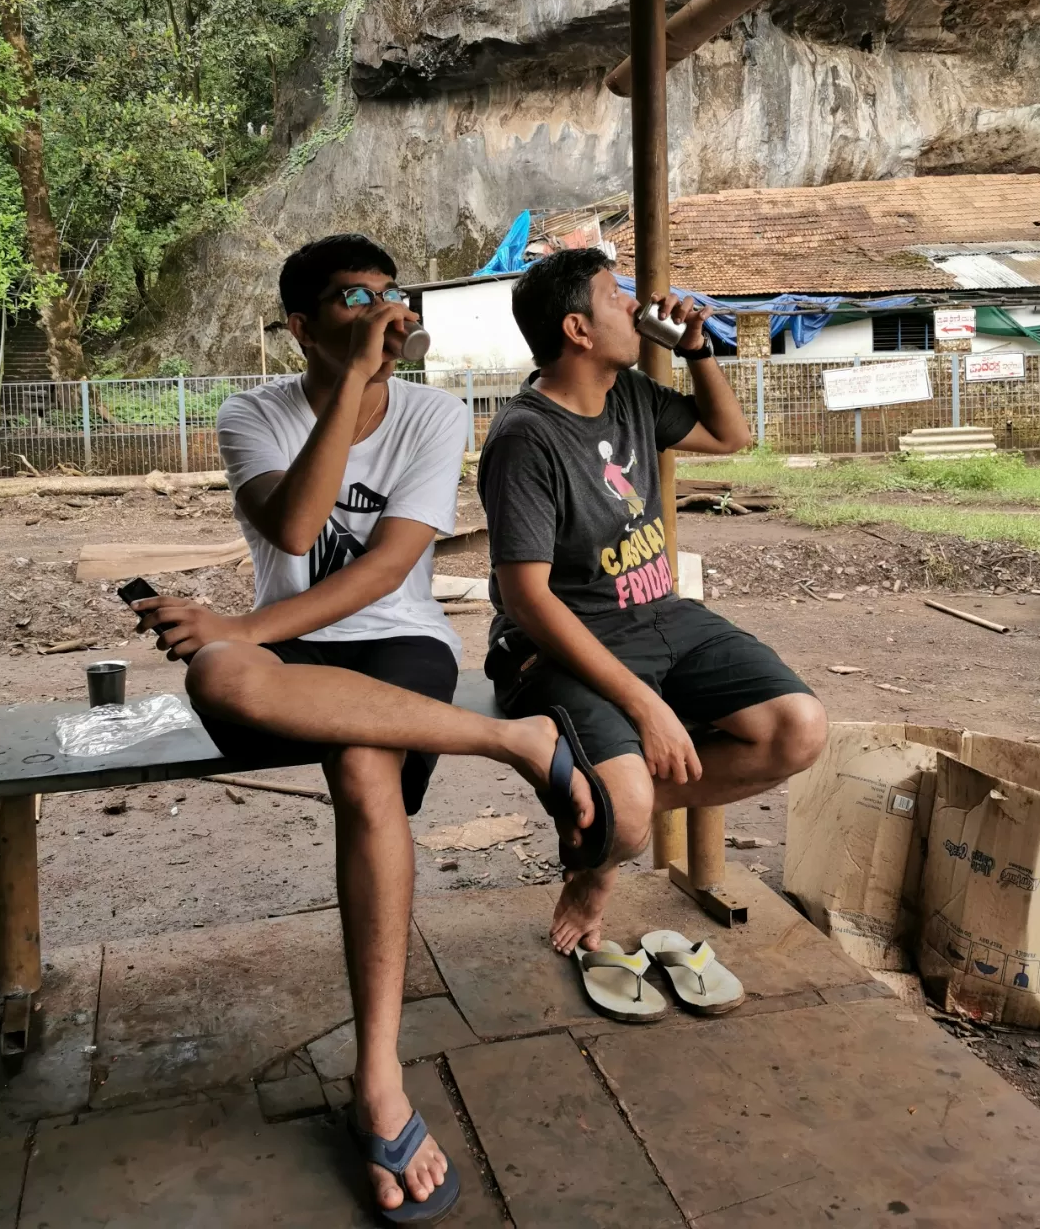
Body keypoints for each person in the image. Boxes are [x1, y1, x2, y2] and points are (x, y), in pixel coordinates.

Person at [132, 233, 595, 1224]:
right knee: (219, 677)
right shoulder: (250, 414)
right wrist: (347, 386)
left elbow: (385, 572)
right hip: (292, 656)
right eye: (353, 298)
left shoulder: (430, 411)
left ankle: (379, 1080)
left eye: (392, 295)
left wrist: (242, 624)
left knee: (364, 769)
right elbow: (296, 532)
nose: (384, 313)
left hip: (398, 644)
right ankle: (518, 743)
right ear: (301, 325)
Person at [477, 247, 828, 958]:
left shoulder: (631, 395)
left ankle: (602, 818)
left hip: (660, 614)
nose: (636, 308)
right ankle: (605, 839)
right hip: (561, 641)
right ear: (578, 329)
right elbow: (527, 601)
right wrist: (645, 706)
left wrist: (698, 350)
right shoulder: (526, 438)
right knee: (630, 822)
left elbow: (731, 436)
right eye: (616, 297)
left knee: (798, 729)